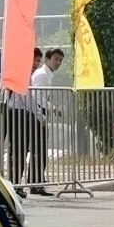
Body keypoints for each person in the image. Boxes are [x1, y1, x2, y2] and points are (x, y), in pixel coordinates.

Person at [2, 48, 43, 198]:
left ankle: (14, 184)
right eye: (34, 59)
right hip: (18, 114)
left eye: (38, 61)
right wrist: (40, 117)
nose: (36, 64)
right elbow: (29, 100)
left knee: (15, 152)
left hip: (12, 113)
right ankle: (15, 185)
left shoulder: (13, 72)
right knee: (19, 152)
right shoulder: (23, 75)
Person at [28, 48, 64, 196]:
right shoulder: (42, 75)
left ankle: (36, 182)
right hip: (36, 113)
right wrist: (52, 109)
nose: (58, 63)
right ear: (48, 59)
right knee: (39, 150)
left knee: (39, 149)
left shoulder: (46, 75)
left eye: (60, 60)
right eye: (55, 59)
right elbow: (36, 97)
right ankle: (36, 183)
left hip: (39, 112)